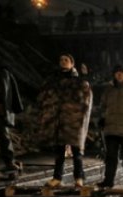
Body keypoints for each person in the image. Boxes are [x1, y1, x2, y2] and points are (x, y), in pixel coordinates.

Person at [38, 53, 92, 188]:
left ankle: (78, 177)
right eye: (61, 60)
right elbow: (45, 98)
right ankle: (57, 178)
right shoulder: (53, 81)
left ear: (72, 64)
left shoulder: (79, 81)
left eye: (66, 60)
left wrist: (79, 116)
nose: (63, 62)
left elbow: (86, 102)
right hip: (58, 121)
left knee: (76, 152)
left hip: (74, 121)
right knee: (59, 152)